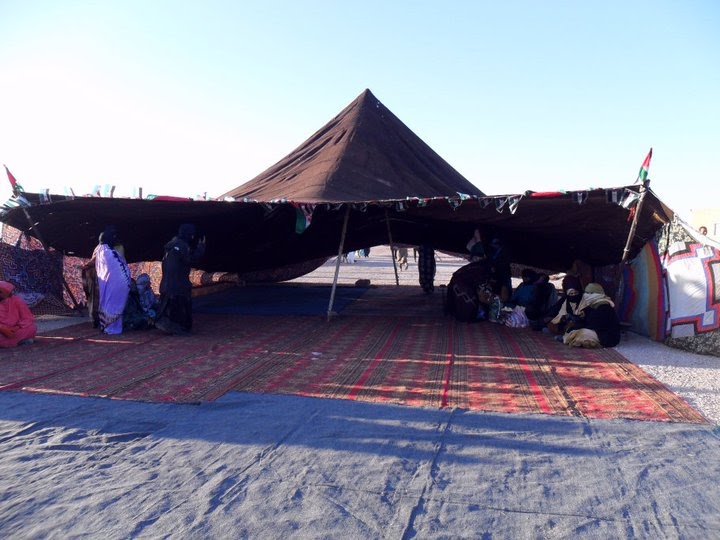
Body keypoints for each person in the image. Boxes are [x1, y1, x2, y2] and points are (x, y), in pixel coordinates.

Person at [155, 224, 206, 335]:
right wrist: (201, 248)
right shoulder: (182, 246)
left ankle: (170, 325)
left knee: (169, 307)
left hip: (167, 284)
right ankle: (178, 328)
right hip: (178, 285)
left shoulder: (171, 246)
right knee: (181, 309)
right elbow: (190, 260)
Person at [93, 227, 132, 335]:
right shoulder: (108, 252)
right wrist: (126, 281)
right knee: (113, 302)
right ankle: (112, 328)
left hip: (106, 284)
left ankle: (106, 326)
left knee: (107, 302)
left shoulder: (100, 250)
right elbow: (119, 267)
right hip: (114, 283)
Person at [562, 283, 621, 348]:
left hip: (607, 337)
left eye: (589, 293)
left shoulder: (604, 306)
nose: (586, 295)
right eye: (586, 293)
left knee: (583, 333)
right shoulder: (593, 305)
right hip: (598, 332)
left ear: (597, 294)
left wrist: (580, 326)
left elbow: (595, 325)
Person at [0, 280, 37, 348]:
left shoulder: (16, 301)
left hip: (15, 329)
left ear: (7, 293)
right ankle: (20, 341)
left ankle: (13, 341)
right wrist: (3, 329)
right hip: (1, 331)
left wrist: (16, 328)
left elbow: (27, 318)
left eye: (0, 292)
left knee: (32, 328)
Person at [488, 237, 512, 302]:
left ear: (497, 244)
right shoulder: (493, 252)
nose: (492, 246)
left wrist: (495, 267)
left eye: (493, 245)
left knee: (506, 289)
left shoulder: (505, 252)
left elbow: (504, 263)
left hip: (504, 274)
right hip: (496, 275)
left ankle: (507, 301)